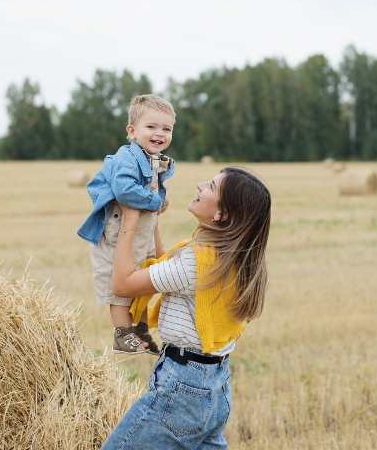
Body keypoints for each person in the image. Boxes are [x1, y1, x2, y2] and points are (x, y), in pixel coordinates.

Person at [101, 167, 271, 449]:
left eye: (211, 187)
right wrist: (151, 220)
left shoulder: (197, 263)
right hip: (214, 388)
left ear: (222, 214)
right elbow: (168, 267)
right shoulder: (233, 260)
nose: (200, 185)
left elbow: (122, 284)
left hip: (182, 389)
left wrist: (129, 219)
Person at [77, 94, 176, 354]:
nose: (160, 133)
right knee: (119, 282)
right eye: (151, 127)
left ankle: (140, 327)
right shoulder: (126, 159)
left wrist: (159, 200)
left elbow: (155, 191)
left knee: (147, 275)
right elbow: (124, 191)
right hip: (117, 232)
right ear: (132, 131)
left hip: (141, 230)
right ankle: (122, 334)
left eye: (167, 128)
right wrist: (155, 202)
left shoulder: (154, 160)